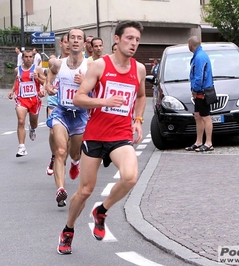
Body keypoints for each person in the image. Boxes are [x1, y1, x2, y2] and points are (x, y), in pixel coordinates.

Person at [56, 20, 146, 255]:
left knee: (130, 177)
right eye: (129, 38)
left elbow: (141, 96)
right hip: (95, 135)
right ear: (116, 40)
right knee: (85, 191)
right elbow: (79, 98)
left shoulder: (139, 69)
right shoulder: (98, 66)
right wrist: (103, 101)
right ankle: (68, 229)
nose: (133, 43)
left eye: (137, 40)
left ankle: (102, 211)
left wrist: (137, 120)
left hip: (120, 136)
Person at [44, 28, 92, 208]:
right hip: (62, 112)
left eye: (79, 38)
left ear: (83, 43)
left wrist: (84, 83)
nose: (75, 41)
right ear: (68, 42)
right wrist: (48, 86)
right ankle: (60, 190)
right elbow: (51, 74)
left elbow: (97, 87)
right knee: (60, 151)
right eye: (72, 38)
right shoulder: (58, 63)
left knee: (74, 153)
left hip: (80, 115)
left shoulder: (90, 66)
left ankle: (75, 162)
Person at [7, 50, 46, 157]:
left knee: (34, 123)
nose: (28, 59)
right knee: (20, 121)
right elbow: (17, 80)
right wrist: (12, 91)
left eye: (30, 57)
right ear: (22, 58)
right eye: (26, 57)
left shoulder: (37, 69)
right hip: (21, 99)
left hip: (34, 100)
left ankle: (32, 129)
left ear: (33, 58)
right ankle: (22, 147)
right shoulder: (18, 70)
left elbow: (46, 81)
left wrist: (38, 80)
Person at [46, 34, 71, 176]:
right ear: (61, 44)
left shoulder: (78, 61)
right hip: (55, 99)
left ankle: (63, 157)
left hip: (70, 100)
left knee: (68, 136)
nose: (68, 45)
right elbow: (50, 73)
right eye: (65, 42)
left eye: (70, 42)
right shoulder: (54, 61)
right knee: (52, 131)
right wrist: (47, 85)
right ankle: (54, 156)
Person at [184, 36, 214, 152]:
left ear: (190, 44)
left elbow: (199, 76)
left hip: (202, 92)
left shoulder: (200, 57)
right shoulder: (199, 55)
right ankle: (199, 141)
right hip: (201, 91)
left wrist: (195, 90)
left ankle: (209, 143)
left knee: (205, 116)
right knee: (198, 115)